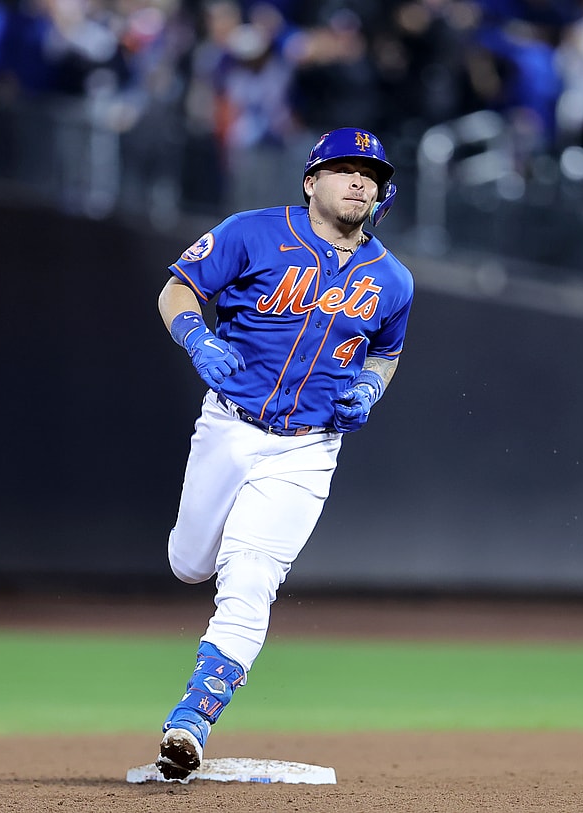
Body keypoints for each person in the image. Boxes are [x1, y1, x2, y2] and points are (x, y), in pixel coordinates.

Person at [151, 127, 414, 780]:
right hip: (229, 426)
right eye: (344, 169)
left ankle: (191, 719)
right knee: (189, 564)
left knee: (251, 578)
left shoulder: (392, 279)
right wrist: (196, 338)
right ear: (311, 181)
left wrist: (369, 389)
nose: (359, 181)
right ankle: (208, 574)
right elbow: (177, 289)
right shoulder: (253, 232)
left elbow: (386, 352)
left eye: (371, 175)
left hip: (308, 448)